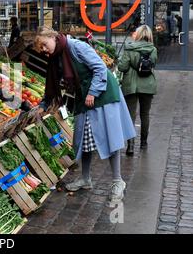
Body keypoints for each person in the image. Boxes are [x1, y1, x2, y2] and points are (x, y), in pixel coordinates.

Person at [34, 26, 135, 202]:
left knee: (110, 137)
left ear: (53, 37)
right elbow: (53, 84)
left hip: (102, 93)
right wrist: (44, 104)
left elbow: (99, 68)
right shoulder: (57, 56)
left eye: (44, 44)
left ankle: (118, 181)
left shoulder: (76, 47)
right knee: (82, 139)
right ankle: (86, 178)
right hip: (84, 96)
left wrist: (93, 92)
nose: (43, 50)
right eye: (40, 48)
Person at [118, 25, 157, 156]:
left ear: (138, 34)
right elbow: (153, 64)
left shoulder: (129, 48)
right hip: (148, 85)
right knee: (145, 115)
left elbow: (122, 67)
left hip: (131, 85)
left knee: (131, 116)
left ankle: (130, 146)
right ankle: (144, 143)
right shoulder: (153, 49)